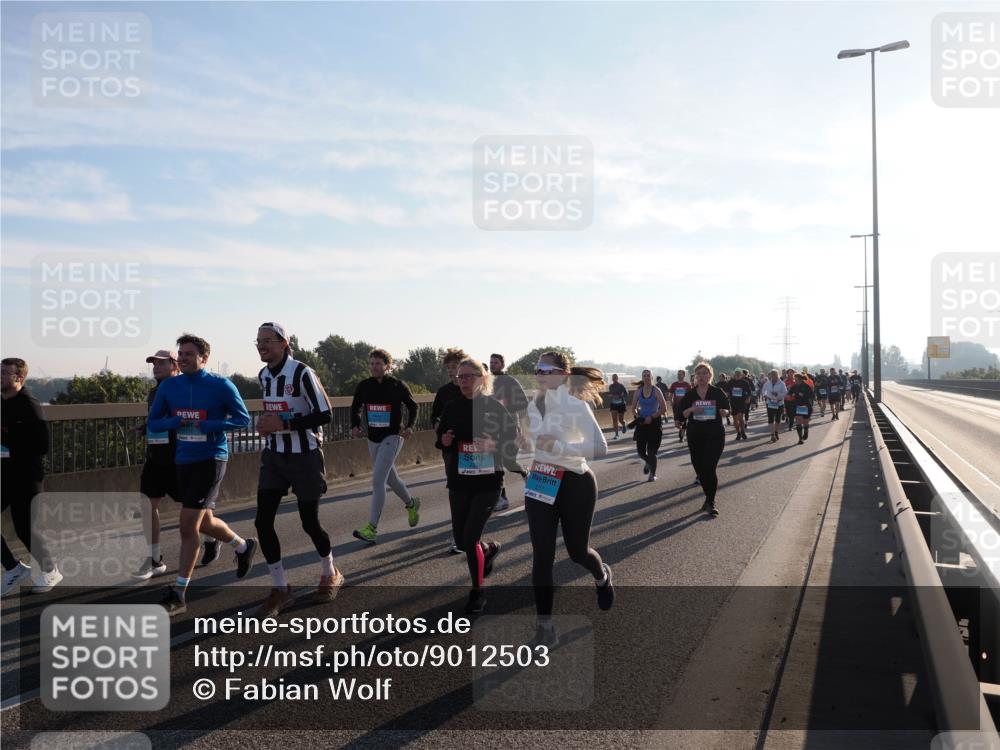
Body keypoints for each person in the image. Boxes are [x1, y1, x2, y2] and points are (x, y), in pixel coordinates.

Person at [148, 334, 256, 616]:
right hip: (183, 458)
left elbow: (242, 418)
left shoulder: (220, 385)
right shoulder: (170, 386)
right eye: (180, 353)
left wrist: (211, 425)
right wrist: (175, 421)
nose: (182, 358)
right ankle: (243, 546)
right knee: (204, 520)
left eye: (189, 354)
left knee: (188, 525)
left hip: (212, 458)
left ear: (204, 358)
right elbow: (154, 421)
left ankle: (180, 593)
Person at [252, 322, 344, 618]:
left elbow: (325, 413)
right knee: (262, 522)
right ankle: (280, 587)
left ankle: (330, 572)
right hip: (275, 456)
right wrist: (266, 424)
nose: (262, 345)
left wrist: (285, 424)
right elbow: (276, 410)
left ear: (284, 343)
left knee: (309, 523)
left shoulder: (302, 372)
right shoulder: (264, 375)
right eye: (258, 341)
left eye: (267, 340)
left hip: (305, 456)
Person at [524, 352, 614, 647]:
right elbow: (531, 442)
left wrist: (561, 445)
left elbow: (600, 448)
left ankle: (601, 576)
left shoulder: (576, 407)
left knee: (577, 552)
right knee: (542, 557)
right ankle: (545, 627)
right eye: (537, 369)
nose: (540, 374)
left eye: (546, 369)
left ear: (562, 375)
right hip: (542, 481)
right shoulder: (532, 406)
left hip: (576, 482)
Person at [436, 359, 524, 614]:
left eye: (469, 376)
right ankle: (488, 549)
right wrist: (444, 439)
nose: (463, 381)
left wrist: (495, 446)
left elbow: (514, 440)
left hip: (488, 482)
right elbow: (441, 440)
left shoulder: (494, 407)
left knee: (470, 536)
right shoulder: (452, 407)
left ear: (482, 378)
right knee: (464, 542)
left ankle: (477, 592)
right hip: (459, 481)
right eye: (460, 377)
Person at [1, 358, 61, 596]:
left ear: (19, 378)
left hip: (26, 475)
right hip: (4, 473)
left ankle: (51, 570)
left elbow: (42, 444)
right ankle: (14, 568)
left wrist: (7, 439)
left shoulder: (29, 404)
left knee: (25, 528)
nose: (0, 376)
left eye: (5, 373)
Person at [349, 349, 421, 544]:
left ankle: (372, 528)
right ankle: (411, 503)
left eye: (378, 363)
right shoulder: (364, 386)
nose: (374, 367)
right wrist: (355, 426)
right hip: (373, 438)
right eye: (372, 363)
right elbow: (355, 407)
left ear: (388, 366)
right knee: (392, 480)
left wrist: (409, 427)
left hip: (393, 436)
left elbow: (413, 406)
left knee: (377, 480)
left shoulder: (397, 385)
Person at [132, 350, 180, 581]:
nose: (156, 367)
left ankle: (213, 538)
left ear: (175, 365)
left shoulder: (183, 388)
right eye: (154, 363)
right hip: (155, 457)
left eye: (161, 363)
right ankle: (154, 559)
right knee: (147, 505)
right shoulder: (153, 392)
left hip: (180, 458)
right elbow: (156, 420)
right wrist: (144, 428)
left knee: (196, 512)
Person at [679, 362, 731, 517]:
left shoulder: (717, 392)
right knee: (700, 470)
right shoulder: (690, 394)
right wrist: (691, 409)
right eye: (698, 374)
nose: (701, 376)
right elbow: (682, 414)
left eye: (704, 373)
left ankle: (711, 501)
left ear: (710, 375)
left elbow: (728, 410)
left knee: (709, 467)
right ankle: (708, 499)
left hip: (714, 435)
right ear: (695, 377)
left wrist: (724, 412)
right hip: (695, 435)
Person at [433, 348, 468, 552]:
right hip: (450, 449)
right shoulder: (444, 392)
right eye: (448, 368)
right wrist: (437, 425)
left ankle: (471, 535)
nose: (451, 371)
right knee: (455, 491)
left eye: (454, 367)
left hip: (473, 450)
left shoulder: (477, 389)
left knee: (473, 492)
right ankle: (459, 536)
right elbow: (435, 415)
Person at [490, 353, 529, 510]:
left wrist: (506, 405)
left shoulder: (510, 381)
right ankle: (502, 498)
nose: (492, 364)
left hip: (510, 427)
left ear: (502, 365)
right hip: (492, 429)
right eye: (491, 362)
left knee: (509, 462)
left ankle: (525, 472)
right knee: (495, 464)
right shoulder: (487, 381)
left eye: (496, 362)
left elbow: (524, 403)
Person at [630, 369, 668, 481]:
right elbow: (633, 408)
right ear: (642, 378)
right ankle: (648, 462)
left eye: (648, 375)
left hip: (654, 423)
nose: (646, 377)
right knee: (641, 451)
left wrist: (651, 417)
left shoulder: (656, 391)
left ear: (652, 377)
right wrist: (637, 415)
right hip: (642, 423)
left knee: (652, 451)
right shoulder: (638, 392)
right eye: (644, 375)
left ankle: (653, 474)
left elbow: (664, 408)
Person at [760, 369, 788, 443]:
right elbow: (763, 391)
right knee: (771, 419)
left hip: (779, 403)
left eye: (775, 375)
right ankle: (772, 434)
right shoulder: (767, 383)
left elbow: (785, 393)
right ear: (770, 376)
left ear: (777, 375)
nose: (773, 376)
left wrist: (778, 395)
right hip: (770, 403)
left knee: (778, 419)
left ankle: (776, 432)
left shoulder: (782, 383)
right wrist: (765, 396)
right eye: (772, 375)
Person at [788, 373, 815, 444]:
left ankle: (806, 431)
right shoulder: (794, 386)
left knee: (805, 422)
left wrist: (803, 395)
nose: (795, 381)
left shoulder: (806, 386)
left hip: (805, 405)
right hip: (797, 405)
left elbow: (812, 395)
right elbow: (789, 392)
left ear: (800, 380)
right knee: (798, 421)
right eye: (795, 380)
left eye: (796, 380)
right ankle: (800, 439)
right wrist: (791, 394)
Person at [727, 369, 752, 440]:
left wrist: (748, 398)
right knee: (735, 419)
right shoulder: (730, 382)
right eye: (736, 373)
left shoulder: (745, 382)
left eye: (739, 374)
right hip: (733, 402)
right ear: (734, 374)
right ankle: (738, 433)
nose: (737, 375)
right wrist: (727, 395)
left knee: (740, 417)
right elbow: (727, 391)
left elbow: (749, 392)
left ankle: (743, 431)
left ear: (741, 375)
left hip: (741, 402)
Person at [669, 370, 692, 443]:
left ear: (684, 375)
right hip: (676, 405)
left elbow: (690, 395)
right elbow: (671, 394)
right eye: (678, 374)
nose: (679, 376)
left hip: (684, 406)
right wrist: (671, 401)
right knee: (677, 424)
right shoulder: (674, 384)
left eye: (681, 374)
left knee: (683, 421)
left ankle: (681, 437)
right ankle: (681, 428)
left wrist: (689, 404)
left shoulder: (687, 385)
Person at [607, 374, 629, 439]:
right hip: (613, 404)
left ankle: (624, 424)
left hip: (621, 404)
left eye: (615, 378)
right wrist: (610, 395)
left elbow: (626, 394)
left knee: (620, 420)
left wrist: (620, 396)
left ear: (617, 378)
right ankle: (616, 435)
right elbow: (610, 393)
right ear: (612, 379)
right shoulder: (611, 386)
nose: (614, 379)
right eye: (613, 378)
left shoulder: (621, 386)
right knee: (614, 420)